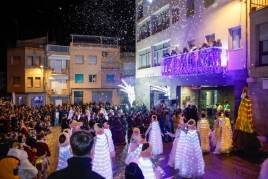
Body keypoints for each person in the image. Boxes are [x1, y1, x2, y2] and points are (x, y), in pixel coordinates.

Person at [232, 87, 262, 152]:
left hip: (245, 119)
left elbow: (243, 110)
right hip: (245, 119)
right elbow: (242, 110)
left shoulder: (245, 99)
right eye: (248, 91)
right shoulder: (246, 99)